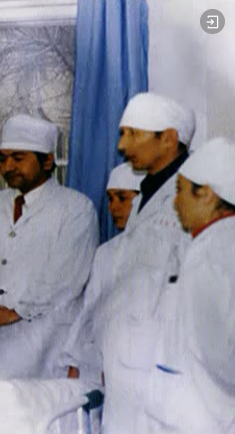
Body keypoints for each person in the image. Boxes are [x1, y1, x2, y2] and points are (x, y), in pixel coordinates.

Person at [0, 114, 98, 380]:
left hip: (44, 347)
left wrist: (16, 311)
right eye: (3, 158)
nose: (8, 166)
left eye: (18, 158)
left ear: (47, 161)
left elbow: (67, 278)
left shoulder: (76, 209)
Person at [99, 92, 196, 434]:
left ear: (168, 138)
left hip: (169, 374)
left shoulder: (202, 197)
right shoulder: (148, 193)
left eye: (133, 134)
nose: (122, 145)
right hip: (131, 367)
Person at [143, 138, 235, 433]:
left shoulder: (211, 254)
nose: (175, 202)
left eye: (180, 190)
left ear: (206, 194)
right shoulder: (215, 243)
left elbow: (220, 358)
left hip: (206, 417)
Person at [60, 163, 144, 385]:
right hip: (100, 365)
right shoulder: (105, 253)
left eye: (122, 198)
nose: (112, 207)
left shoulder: (163, 250)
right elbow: (89, 310)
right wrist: (73, 361)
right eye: (110, 198)